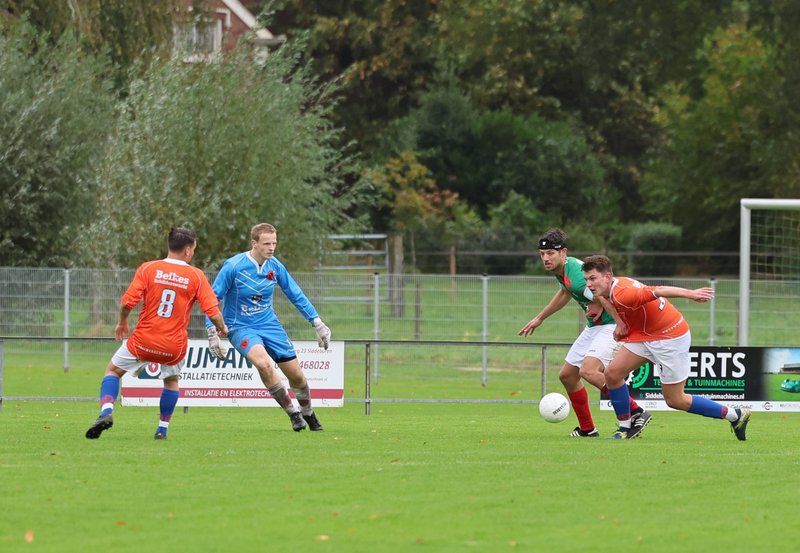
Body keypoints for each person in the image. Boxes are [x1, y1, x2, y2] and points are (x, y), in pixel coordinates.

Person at [581, 254, 751, 440]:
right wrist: (620, 322)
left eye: (592, 278)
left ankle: (735, 415)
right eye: (586, 279)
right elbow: (605, 299)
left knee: (675, 399)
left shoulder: (625, 293)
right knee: (612, 374)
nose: (589, 284)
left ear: (607, 277)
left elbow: (659, 290)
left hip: (669, 337)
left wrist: (691, 294)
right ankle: (625, 428)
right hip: (645, 335)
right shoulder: (607, 288)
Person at [85, 227, 228, 440]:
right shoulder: (196, 276)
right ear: (188, 250)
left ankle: (106, 412)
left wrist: (122, 322)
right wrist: (222, 328)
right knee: (171, 381)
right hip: (173, 346)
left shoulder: (148, 269)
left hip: (143, 340)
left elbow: (127, 302)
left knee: (113, 371)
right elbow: (213, 311)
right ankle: (162, 429)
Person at [518, 229, 650, 437]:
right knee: (567, 376)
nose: (545, 258)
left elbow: (605, 294)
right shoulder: (563, 272)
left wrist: (605, 310)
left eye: (551, 253)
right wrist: (540, 318)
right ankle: (587, 429)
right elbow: (565, 292)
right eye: (542, 254)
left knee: (588, 371)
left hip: (609, 325)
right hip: (594, 326)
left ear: (564, 253)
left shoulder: (577, 274)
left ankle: (635, 412)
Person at [206, 223, 331, 432]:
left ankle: (308, 413)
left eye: (274, 243)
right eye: (266, 243)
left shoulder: (275, 266)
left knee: (297, 377)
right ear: (254, 243)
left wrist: (317, 323)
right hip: (240, 327)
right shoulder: (233, 266)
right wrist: (212, 332)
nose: (271, 248)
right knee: (263, 364)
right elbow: (212, 299)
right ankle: (293, 413)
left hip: (270, 325)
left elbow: (295, 294)